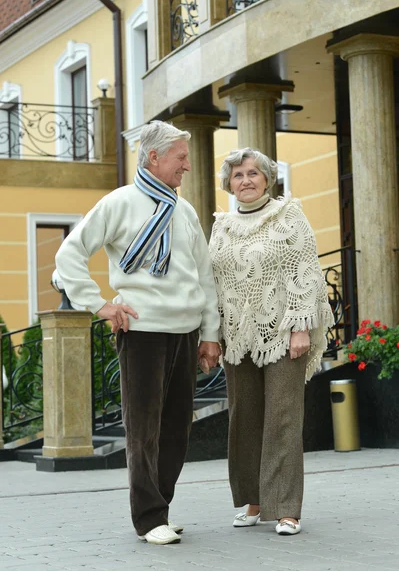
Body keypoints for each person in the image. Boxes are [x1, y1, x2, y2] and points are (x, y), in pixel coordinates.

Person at [55, 121, 220, 545]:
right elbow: (69, 254)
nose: (187, 164)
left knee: (177, 429)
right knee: (143, 428)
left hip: (185, 332)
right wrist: (100, 304)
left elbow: (204, 275)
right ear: (154, 158)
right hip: (142, 330)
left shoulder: (185, 211)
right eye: (181, 157)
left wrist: (210, 334)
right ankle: (148, 519)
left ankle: (160, 508)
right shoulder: (119, 203)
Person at [209, 148, 334, 536]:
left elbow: (305, 271)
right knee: (243, 418)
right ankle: (253, 499)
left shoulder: (288, 216)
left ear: (267, 178)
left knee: (282, 418)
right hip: (237, 336)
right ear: (228, 183)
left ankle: (285, 508)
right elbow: (213, 284)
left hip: (282, 331)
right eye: (237, 175)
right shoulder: (221, 226)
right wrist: (210, 336)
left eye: (252, 174)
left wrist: (300, 326)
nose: (245, 181)